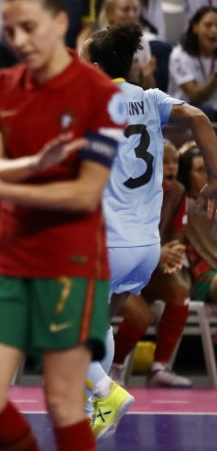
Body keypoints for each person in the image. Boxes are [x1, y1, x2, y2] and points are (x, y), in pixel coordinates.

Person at [0, 0, 128, 449]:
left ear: (61, 22)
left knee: (64, 403)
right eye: (11, 31)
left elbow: (85, 193)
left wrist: (10, 185)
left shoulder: (102, 94)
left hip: (72, 263)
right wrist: (33, 163)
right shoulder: (2, 86)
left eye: (30, 27)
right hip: (9, 262)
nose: (19, 41)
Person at [81, 22, 217, 438]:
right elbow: (197, 114)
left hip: (110, 242)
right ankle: (93, 412)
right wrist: (214, 179)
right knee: (98, 324)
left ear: (96, 66)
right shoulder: (150, 98)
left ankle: (105, 391)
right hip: (146, 248)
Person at [108, 142, 193, 389]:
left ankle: (159, 369)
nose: (171, 167)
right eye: (164, 162)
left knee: (179, 291)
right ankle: (115, 368)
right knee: (141, 316)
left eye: (175, 162)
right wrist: (157, 253)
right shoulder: (130, 190)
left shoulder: (177, 192)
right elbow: (121, 243)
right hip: (118, 270)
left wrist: (172, 258)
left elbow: (176, 239)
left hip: (148, 267)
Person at [181, 143, 217, 306]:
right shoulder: (181, 204)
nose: (207, 175)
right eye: (200, 170)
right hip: (203, 278)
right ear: (187, 175)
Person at [169, 7, 217, 121]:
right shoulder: (179, 56)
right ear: (195, 27)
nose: (214, 31)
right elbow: (196, 95)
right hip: (184, 116)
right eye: (208, 25)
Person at [98, 0, 157, 89]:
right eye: (125, 10)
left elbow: (149, 89)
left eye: (135, 10)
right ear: (110, 13)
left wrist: (147, 76)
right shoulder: (99, 42)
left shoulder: (142, 42)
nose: (132, 15)